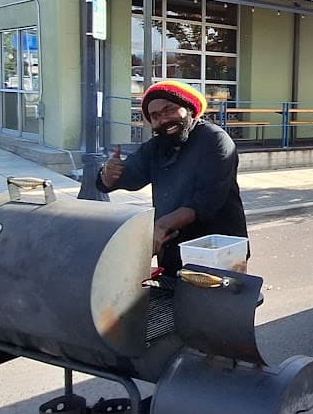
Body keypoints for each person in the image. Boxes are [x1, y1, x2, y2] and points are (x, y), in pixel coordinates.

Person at [96, 79, 248, 272]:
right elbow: (130, 176)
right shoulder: (155, 147)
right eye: (156, 116)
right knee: (171, 299)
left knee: (214, 301)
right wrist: (108, 175)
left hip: (218, 249)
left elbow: (207, 201)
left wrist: (160, 226)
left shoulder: (214, 140)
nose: (164, 119)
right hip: (172, 250)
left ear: (189, 108)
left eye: (169, 110)